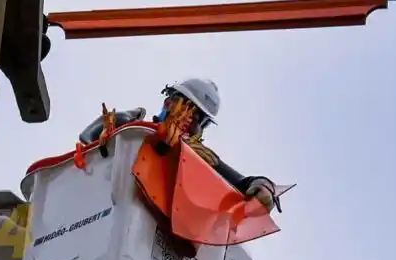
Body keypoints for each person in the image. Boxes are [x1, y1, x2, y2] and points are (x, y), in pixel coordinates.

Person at [77, 78, 278, 211]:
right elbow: (87, 140)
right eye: (187, 108)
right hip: (98, 207)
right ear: (168, 102)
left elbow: (242, 182)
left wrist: (264, 186)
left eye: (200, 120)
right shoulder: (130, 125)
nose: (191, 121)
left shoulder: (198, 159)